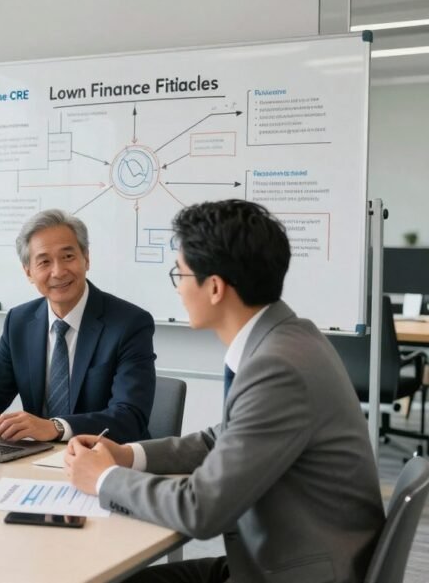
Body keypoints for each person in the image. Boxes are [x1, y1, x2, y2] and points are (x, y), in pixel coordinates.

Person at [64, 200, 385, 583]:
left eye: (179, 274)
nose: (179, 288)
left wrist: (102, 479)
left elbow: (201, 509)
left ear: (214, 287)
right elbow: (224, 438)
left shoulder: (277, 367)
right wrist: (128, 455)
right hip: (283, 559)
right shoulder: (288, 336)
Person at [0, 209, 156, 443]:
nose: (58, 271)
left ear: (86, 259)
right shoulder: (19, 322)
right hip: (35, 462)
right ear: (29, 272)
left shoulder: (129, 324)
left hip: (105, 459)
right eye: (44, 262)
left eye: (68, 257)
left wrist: (57, 428)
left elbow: (130, 416)